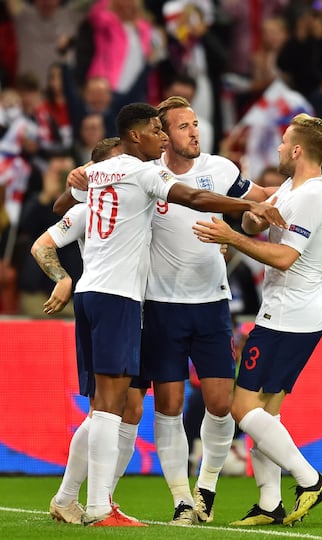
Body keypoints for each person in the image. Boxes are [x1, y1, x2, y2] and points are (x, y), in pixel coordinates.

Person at [65, 101, 286, 528]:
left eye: (194, 125)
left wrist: (292, 204)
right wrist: (77, 179)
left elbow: (263, 201)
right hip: (158, 306)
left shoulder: (220, 168)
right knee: (162, 406)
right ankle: (182, 501)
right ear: (155, 134)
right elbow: (74, 203)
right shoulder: (148, 175)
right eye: (177, 127)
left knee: (221, 405)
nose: (189, 133)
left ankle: (205, 488)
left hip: (211, 302)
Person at [193, 112, 322, 526]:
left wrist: (230, 236)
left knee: (242, 408)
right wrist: (252, 220)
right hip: (293, 312)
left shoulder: (312, 196)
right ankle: (270, 504)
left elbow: (286, 258)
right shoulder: (292, 187)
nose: (276, 149)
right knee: (266, 416)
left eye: (282, 142)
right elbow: (258, 217)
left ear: (296, 150)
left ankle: (310, 480)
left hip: (288, 315)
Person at [31, 137, 150, 525]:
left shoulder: (139, 198)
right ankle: (98, 504)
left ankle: (70, 498)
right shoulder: (87, 208)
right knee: (107, 406)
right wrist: (63, 277)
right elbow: (41, 246)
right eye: (116, 166)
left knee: (126, 407)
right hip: (113, 301)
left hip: (133, 304)